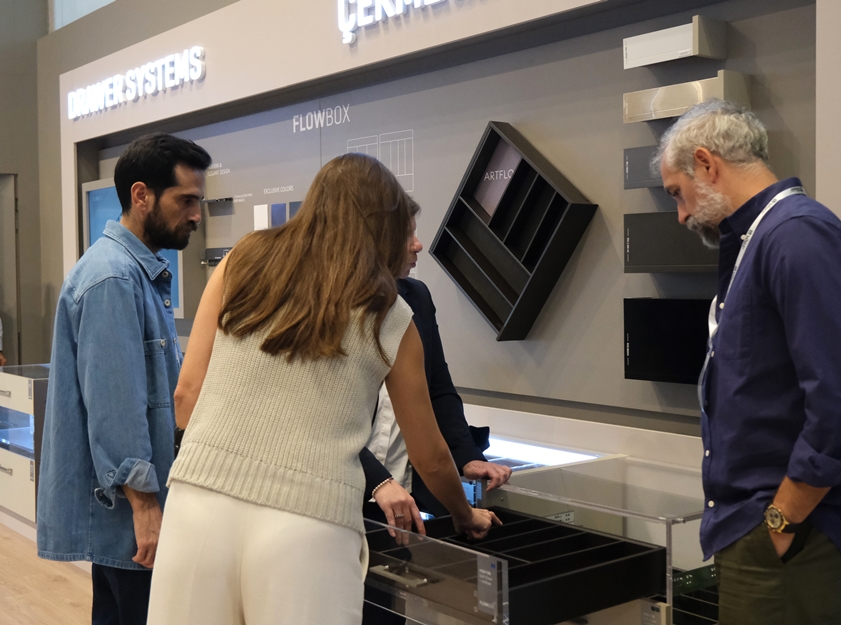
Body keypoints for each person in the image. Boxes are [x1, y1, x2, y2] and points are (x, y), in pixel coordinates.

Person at [145, 153, 500, 625]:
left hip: (197, 504)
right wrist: (464, 515)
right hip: (310, 523)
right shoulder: (390, 315)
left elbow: (186, 396)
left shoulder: (240, 260)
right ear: (383, 225)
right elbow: (430, 455)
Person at [656, 100, 841, 625]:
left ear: (707, 163)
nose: (682, 214)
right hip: (762, 527)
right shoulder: (761, 239)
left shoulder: (796, 237)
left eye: (677, 192)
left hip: (794, 533)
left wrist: (780, 522)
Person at [36, 133, 210, 625]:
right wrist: (145, 505)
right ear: (141, 196)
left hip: (128, 518)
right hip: (131, 519)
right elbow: (116, 405)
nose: (196, 215)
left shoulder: (132, 273)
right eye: (186, 200)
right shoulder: (113, 277)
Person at [360, 207, 512, 624]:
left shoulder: (417, 298)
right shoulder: (331, 309)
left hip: (401, 506)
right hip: (347, 494)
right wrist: (378, 481)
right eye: (408, 235)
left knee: (386, 612)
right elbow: (325, 423)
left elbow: (438, 387)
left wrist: (467, 455)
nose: (418, 245)